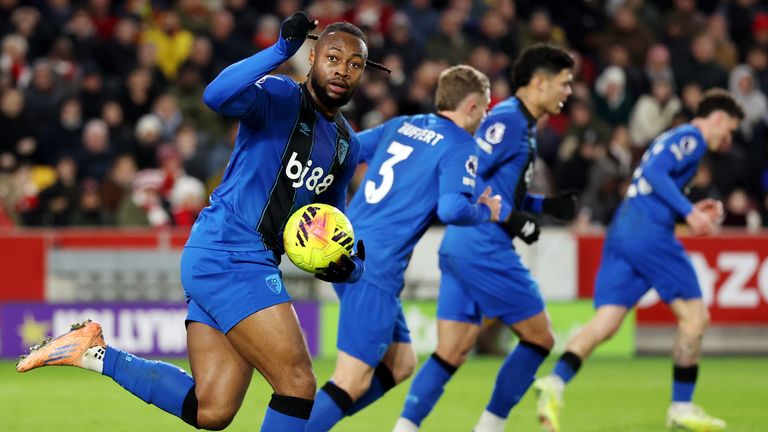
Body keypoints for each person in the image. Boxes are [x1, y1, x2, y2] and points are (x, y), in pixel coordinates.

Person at [17, 12, 373, 432]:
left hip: (235, 260)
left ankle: (94, 352)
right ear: (312, 57)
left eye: (355, 64)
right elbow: (216, 96)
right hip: (230, 252)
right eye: (333, 57)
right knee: (297, 383)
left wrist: (351, 266)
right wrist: (279, 52)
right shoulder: (280, 96)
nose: (343, 70)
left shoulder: (346, 146)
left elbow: (332, 225)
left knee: (213, 410)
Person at [306, 64, 503, 431]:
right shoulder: (461, 144)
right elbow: (451, 208)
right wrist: (484, 211)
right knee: (351, 380)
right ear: (473, 106)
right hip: (375, 266)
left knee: (401, 364)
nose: (487, 115)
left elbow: (349, 148)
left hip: (348, 248)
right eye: (487, 107)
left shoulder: (404, 125)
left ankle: (313, 422)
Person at [534, 88, 743, 432]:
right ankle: (681, 406)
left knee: (607, 321)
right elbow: (656, 174)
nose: (728, 137)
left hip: (625, 227)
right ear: (718, 119)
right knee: (695, 317)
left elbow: (651, 183)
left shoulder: (675, 138)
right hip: (649, 232)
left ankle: (554, 383)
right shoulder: (693, 137)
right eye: (730, 129)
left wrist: (686, 210)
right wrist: (689, 212)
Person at [392, 44, 576, 432]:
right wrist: (512, 219)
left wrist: (543, 206)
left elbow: (498, 187)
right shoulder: (508, 120)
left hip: (462, 245)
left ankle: (404, 429)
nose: (569, 92)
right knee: (540, 339)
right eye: (565, 83)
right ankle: (489, 428)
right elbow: (470, 175)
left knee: (452, 350)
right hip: (483, 244)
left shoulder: (520, 124)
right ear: (539, 83)